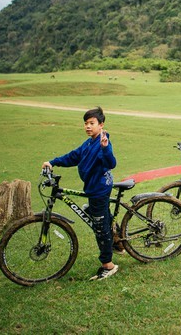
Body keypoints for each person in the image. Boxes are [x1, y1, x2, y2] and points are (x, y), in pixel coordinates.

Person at [42, 106, 119, 281]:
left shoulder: (102, 143)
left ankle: (108, 265)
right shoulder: (89, 143)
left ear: (101, 125)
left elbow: (111, 162)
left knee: (100, 229)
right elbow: (73, 156)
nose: (88, 126)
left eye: (92, 123)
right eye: (86, 123)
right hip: (93, 188)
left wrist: (106, 148)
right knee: (100, 217)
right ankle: (118, 242)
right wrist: (53, 162)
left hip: (99, 189)